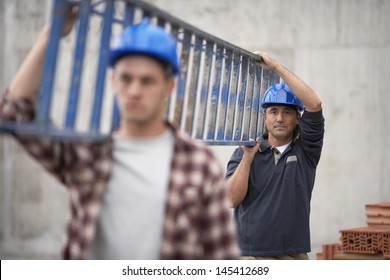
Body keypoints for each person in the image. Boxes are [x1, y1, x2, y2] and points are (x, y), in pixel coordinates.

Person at [0, 7, 239, 260]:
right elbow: (13, 112)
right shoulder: (88, 153)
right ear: (113, 81)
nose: (134, 91)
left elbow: (222, 259)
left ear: (169, 87)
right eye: (126, 79)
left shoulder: (199, 164)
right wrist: (52, 32)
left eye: (147, 81)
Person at [226, 51, 324, 260]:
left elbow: (314, 105)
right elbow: (230, 199)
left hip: (293, 256)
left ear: (298, 118)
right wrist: (248, 158)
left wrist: (277, 67)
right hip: (249, 256)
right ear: (264, 116)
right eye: (273, 111)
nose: (280, 118)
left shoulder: (306, 151)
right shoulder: (243, 152)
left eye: (287, 112)